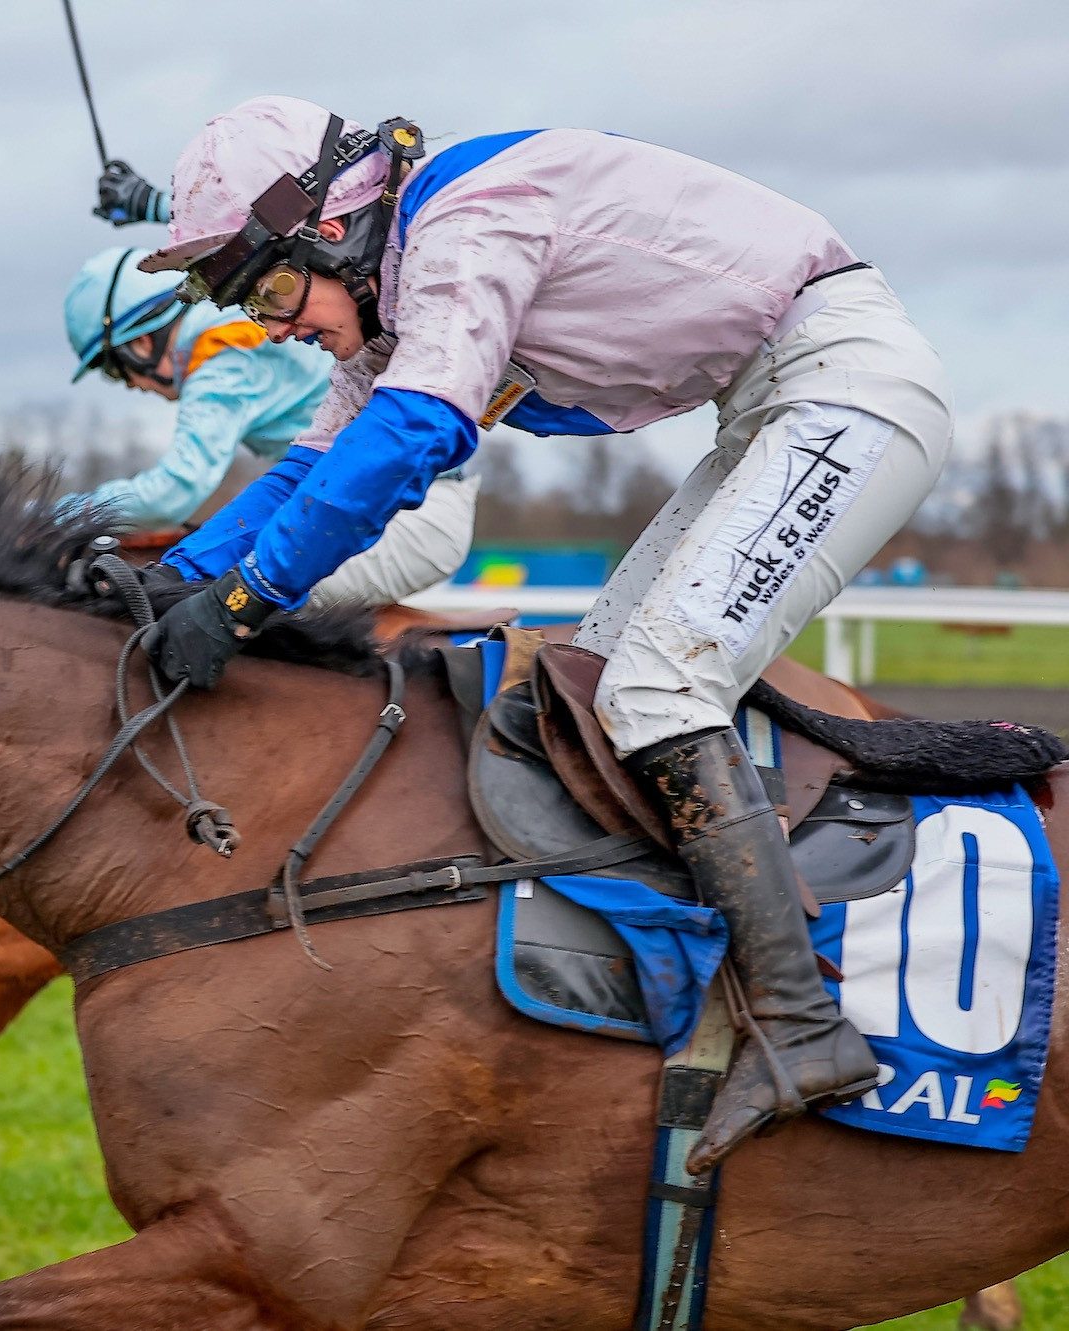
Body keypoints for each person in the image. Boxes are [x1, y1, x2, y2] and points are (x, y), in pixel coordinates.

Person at [138, 95, 953, 1171]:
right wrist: (163, 585)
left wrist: (246, 602)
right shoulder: (398, 295)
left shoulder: (469, 218)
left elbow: (417, 433)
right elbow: (305, 466)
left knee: (657, 690)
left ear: (335, 226)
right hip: (770, 408)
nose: (277, 324)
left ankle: (802, 1025)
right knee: (594, 678)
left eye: (274, 288)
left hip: (842, 386)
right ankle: (691, 988)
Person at [64, 244, 479, 608]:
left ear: (139, 345)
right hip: (383, 505)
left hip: (414, 520)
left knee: (222, 602)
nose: (132, 388)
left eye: (115, 372)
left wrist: (57, 515)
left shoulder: (221, 356)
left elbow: (174, 492)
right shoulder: (227, 327)